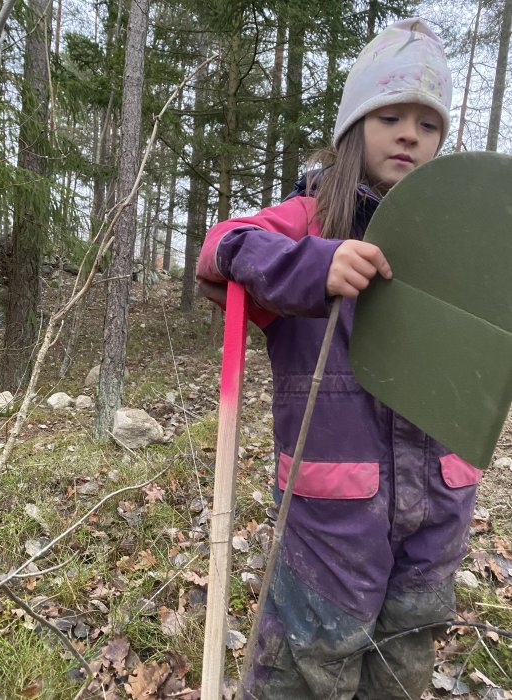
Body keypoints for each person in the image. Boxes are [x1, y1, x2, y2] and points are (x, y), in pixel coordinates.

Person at [197, 18, 482, 700]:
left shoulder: (457, 239)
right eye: (390, 115)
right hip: (331, 516)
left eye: (427, 123)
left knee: (402, 663)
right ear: (355, 126)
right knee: (309, 663)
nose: (409, 134)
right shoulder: (309, 219)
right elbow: (222, 247)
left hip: (436, 504)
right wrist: (314, 265)